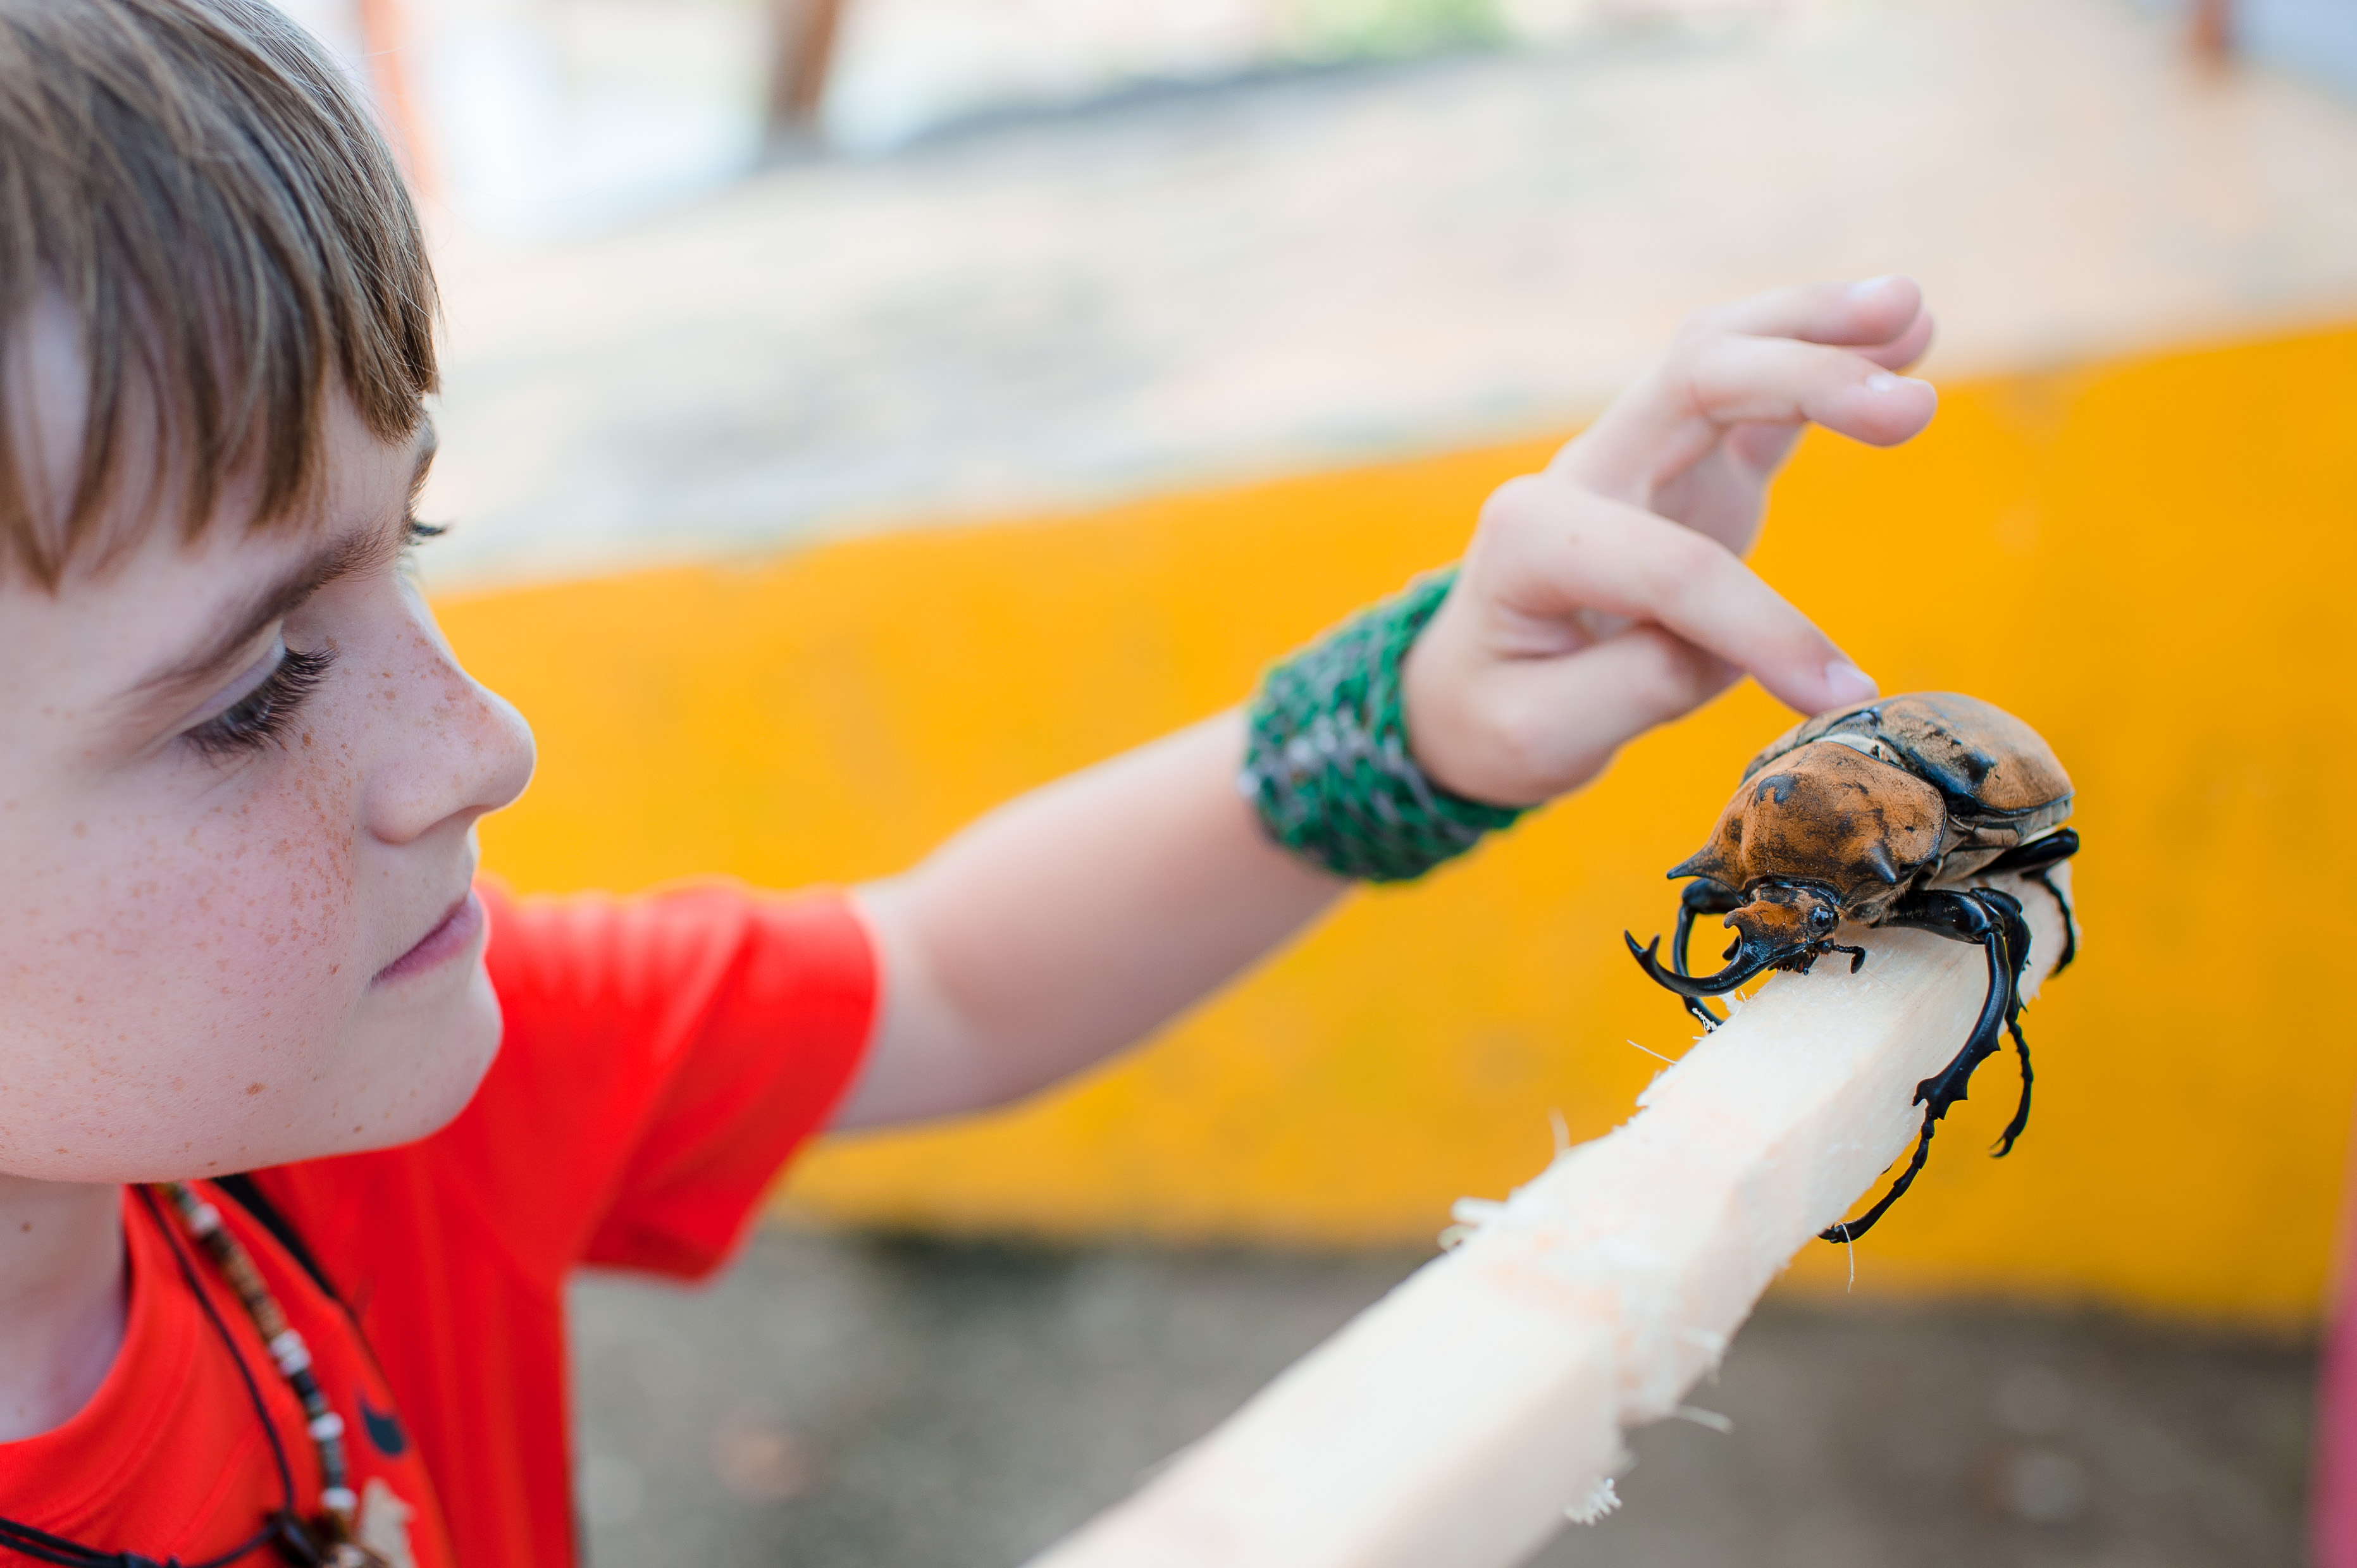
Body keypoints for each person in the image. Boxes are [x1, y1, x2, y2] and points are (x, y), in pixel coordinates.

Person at [0, 2, 1938, 1563]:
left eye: (415, 541)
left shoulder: (364, 1099)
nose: (483, 744)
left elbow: (943, 979)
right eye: (253, 692)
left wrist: (1418, 721)